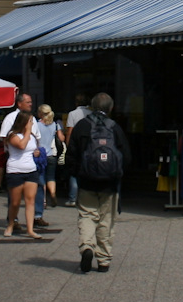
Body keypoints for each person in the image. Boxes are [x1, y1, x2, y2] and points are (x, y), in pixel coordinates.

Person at [72, 93, 129, 272]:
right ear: (110, 108)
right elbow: (126, 156)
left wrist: (77, 174)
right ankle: (103, 260)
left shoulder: (81, 126)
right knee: (106, 220)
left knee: (87, 216)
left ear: (91, 106)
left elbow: (71, 155)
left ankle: (87, 247)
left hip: (87, 182)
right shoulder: (115, 128)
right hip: (109, 184)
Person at [2, 94, 45, 240]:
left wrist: (37, 152)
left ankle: (30, 229)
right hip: (15, 171)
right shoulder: (13, 135)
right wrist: (27, 131)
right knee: (15, 202)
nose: (32, 124)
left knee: (30, 200)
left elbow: (33, 146)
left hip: (30, 170)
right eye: (30, 122)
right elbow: (21, 145)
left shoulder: (31, 135)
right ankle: (10, 224)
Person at [64, 93, 92, 199]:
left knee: (74, 170)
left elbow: (70, 130)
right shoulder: (91, 113)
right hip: (88, 143)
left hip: (76, 143)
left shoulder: (72, 114)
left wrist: (67, 144)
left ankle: (73, 197)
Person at [35, 105, 64, 208]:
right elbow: (61, 138)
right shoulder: (55, 125)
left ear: (40, 114)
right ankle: (52, 193)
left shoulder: (37, 125)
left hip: (40, 154)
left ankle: (43, 200)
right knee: (51, 177)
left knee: (41, 177)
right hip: (52, 154)